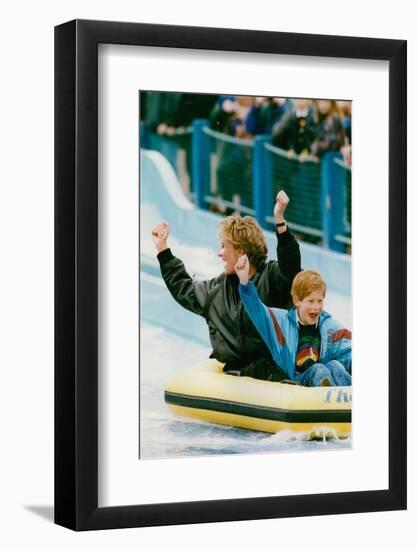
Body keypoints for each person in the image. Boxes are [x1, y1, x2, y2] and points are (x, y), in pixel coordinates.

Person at [151, 191, 301, 381]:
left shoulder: (272, 278)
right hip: (238, 372)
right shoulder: (216, 290)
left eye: (223, 246)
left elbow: (291, 268)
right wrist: (162, 249)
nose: (219, 253)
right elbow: (184, 288)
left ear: (240, 251)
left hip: (275, 367)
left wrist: (279, 220)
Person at [235, 256, 351, 387]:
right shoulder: (280, 322)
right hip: (299, 382)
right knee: (319, 369)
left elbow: (349, 351)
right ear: (297, 301)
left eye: (320, 301)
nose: (317, 307)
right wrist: (244, 282)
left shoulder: (330, 327)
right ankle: (326, 400)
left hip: (326, 379)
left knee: (334, 365)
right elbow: (256, 309)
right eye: (311, 301)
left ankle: (348, 402)